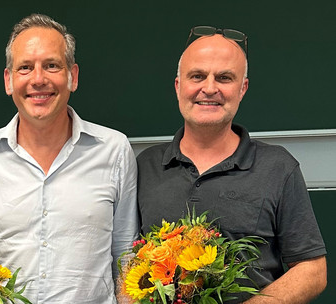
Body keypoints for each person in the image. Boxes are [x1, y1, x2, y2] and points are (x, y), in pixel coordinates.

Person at [0, 13, 139, 303]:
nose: (38, 80)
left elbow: (126, 256)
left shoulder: (114, 150)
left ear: (72, 76)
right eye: (25, 68)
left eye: (52, 66)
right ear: (8, 80)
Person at [137, 26, 327, 303]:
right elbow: (127, 259)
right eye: (197, 76)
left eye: (224, 78)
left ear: (242, 88)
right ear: (178, 86)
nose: (210, 88)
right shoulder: (145, 166)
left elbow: (312, 270)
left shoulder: (278, 167)